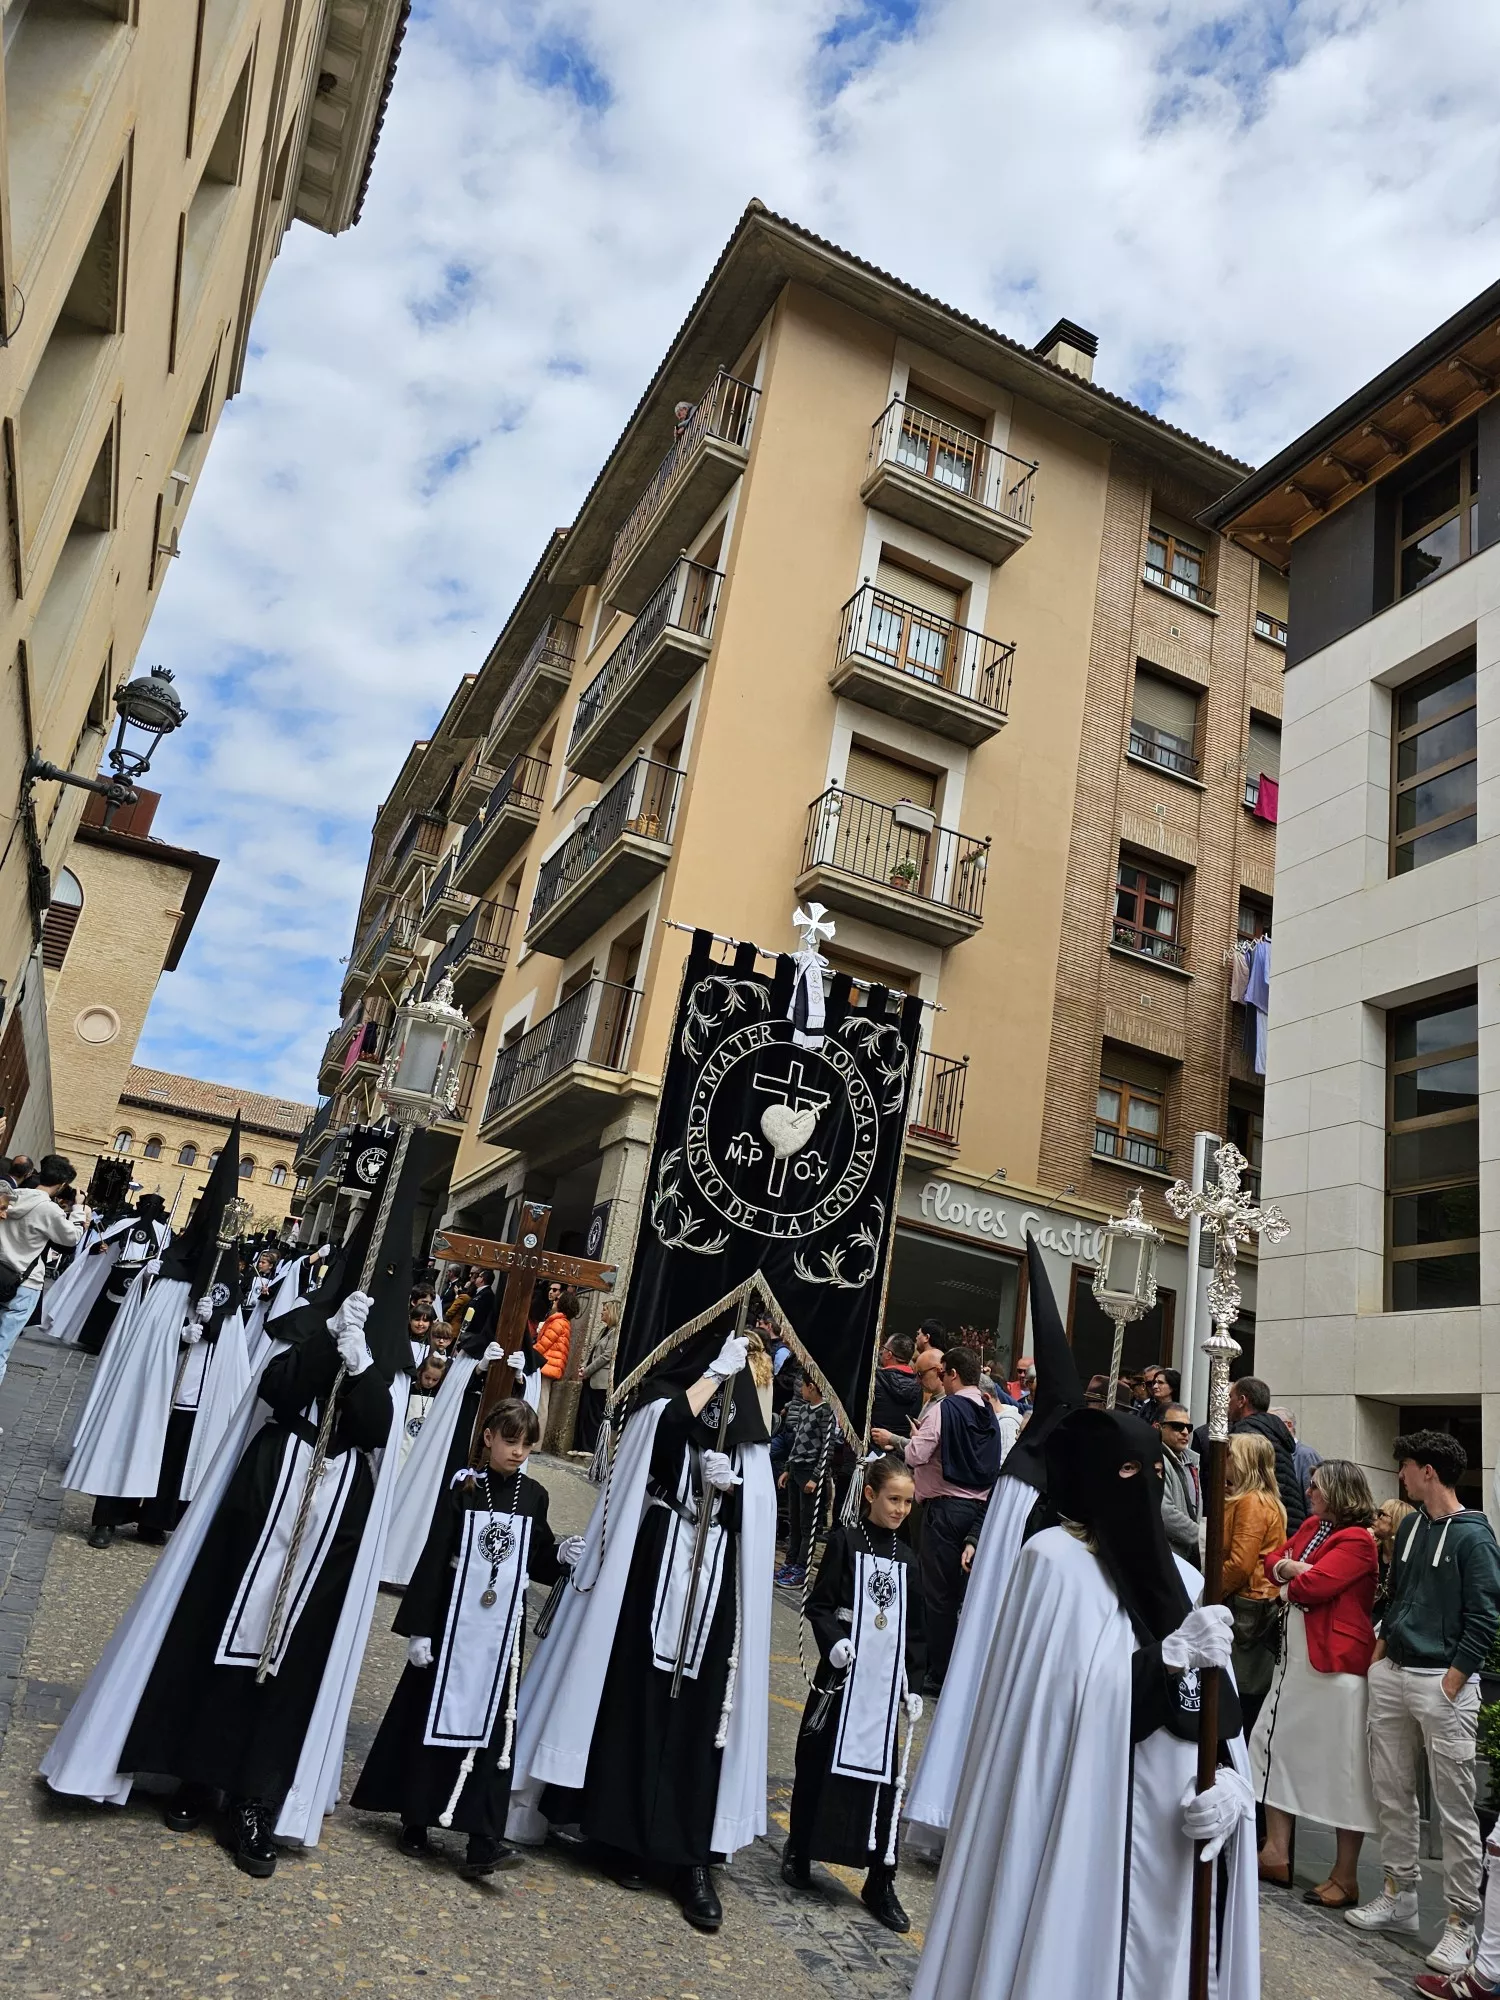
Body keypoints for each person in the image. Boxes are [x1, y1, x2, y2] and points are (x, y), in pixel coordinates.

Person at [40, 1143, 423, 1879]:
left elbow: (376, 1428)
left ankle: (254, 1794)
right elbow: (277, 1390)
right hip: (269, 1485)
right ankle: (196, 1770)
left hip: (335, 1512)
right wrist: (328, 1341)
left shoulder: (390, 1357)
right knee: (218, 1622)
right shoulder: (307, 1325)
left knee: (294, 1655)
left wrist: (363, 1360)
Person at [909, 1406, 1257, 2000]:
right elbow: (1051, 1724)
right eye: (1126, 1470)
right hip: (1083, 1831)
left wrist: (1230, 1786)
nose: (1143, 1486)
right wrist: (1162, 1662)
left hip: (1174, 1835)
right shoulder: (1054, 1564)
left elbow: (1214, 1718)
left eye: (1154, 1471)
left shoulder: (1186, 1581)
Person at [506, 1326, 775, 1932]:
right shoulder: (667, 1401)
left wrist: (733, 1495)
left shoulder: (751, 1437)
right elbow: (662, 1436)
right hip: (658, 1555)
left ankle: (689, 1858)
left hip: (716, 1575)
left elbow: (761, 1514)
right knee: (636, 1693)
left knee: (703, 1715)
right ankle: (619, 1833)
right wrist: (711, 1377)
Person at [904, 1237, 1085, 1856]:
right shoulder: (1010, 1445)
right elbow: (1001, 1512)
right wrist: (980, 1536)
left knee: (940, 1602)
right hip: (1005, 1595)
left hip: (970, 1542)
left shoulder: (981, 1427)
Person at [351, 1398, 582, 1878]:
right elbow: (436, 1555)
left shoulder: (534, 1496)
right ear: (489, 1438)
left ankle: (483, 1839)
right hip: (452, 1621)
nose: (518, 1452)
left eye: (527, 1445)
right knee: (429, 1714)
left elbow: (534, 1554)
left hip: (501, 1632)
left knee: (496, 1730)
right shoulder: (464, 1488)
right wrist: (419, 1628)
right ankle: (416, 1816)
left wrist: (559, 1556)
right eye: (510, 1441)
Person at [1346, 1429, 1500, 1977]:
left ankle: (1460, 1922)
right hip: (1395, 1671)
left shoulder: (1475, 1537)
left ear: (1427, 1471)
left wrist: (1453, 1680)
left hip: (1441, 1682)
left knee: (1455, 1809)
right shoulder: (1411, 1526)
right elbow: (1396, 1594)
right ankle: (1399, 1894)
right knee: (1392, 1792)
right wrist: (1381, 1655)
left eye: (1406, 1467)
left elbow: (1486, 1614)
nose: (1401, 1476)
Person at [781, 1453, 924, 1931]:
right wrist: (834, 1642)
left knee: (884, 1783)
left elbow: (916, 1631)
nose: (900, 1510)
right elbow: (820, 1604)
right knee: (817, 1759)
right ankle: (801, 1848)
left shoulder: (909, 1558)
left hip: (882, 1686)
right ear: (869, 1495)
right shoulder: (845, 1541)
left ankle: (880, 1878)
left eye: (908, 1502)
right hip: (842, 1674)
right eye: (893, 1499)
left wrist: (912, 1683)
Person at [1252, 1458, 1379, 1908]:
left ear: (1339, 1492)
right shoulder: (1311, 1527)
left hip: (1335, 1669)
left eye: (1317, 1487)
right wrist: (1292, 1570)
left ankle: (1346, 1876)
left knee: (1343, 1769)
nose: (1309, 1492)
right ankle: (1276, 1853)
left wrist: (1290, 1577)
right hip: (1296, 1664)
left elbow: (1315, 1587)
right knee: (1271, 1746)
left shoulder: (1358, 1540)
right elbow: (1270, 1563)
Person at [888, 1347, 997, 1696]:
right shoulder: (989, 1412)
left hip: (944, 1509)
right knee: (961, 1596)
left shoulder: (944, 1408)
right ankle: (954, 1667)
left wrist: (914, 1439)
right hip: (978, 1511)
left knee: (938, 1596)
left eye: (942, 1373)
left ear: (952, 1374)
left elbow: (916, 1453)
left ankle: (938, 1670)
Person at [1221, 1431, 1286, 1733]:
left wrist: (1207, 1593)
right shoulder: (1263, 1500)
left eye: (1230, 1455)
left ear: (1243, 1462)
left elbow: (1240, 1564)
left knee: (1239, 1696)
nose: (1224, 1461)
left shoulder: (1251, 1502)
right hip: (1256, 1604)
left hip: (1247, 1609)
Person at [0, 1153, 80, 1380]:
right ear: (62, 1185)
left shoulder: (10, 1197)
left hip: (1, 1270)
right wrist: (78, 1210)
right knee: (2, 1346)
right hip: (25, 1282)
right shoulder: (49, 1209)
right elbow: (71, 1238)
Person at [776, 1373, 835, 1588]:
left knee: (807, 1524)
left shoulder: (825, 1412)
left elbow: (827, 1448)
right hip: (796, 1468)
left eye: (803, 1387)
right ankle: (790, 1561)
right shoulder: (803, 1410)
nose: (800, 1390)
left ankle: (802, 1566)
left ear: (811, 1387)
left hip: (810, 1471)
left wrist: (816, 1476)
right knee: (795, 1520)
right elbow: (797, 1442)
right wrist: (788, 1468)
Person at [1227, 1376, 1306, 1531]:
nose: (1228, 1403)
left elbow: (1246, 1481)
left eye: (1231, 1397)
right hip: (1284, 1514)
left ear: (1242, 1400)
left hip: (1264, 1516)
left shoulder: (1247, 1433)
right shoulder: (1272, 1429)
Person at [532, 1282, 577, 1438]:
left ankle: (536, 1441)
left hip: (546, 1365)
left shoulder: (558, 1322)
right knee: (541, 1402)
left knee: (541, 1403)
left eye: (557, 1300)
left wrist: (529, 1354)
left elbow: (543, 1345)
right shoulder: (563, 1322)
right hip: (550, 1365)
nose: (554, 1301)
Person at [1158, 1404, 1200, 1567]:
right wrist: (1202, 1536)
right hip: (1169, 1557)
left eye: (1188, 1427)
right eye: (1177, 1426)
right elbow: (1165, 1513)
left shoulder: (1191, 1461)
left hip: (1187, 1556)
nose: (1185, 1432)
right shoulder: (1156, 1461)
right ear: (1158, 1427)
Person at [575, 1300, 618, 1456]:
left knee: (595, 1415)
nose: (602, 1312)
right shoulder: (603, 1331)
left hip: (600, 1380)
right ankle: (581, 1446)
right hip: (591, 1377)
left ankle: (591, 1449)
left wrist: (587, 1370)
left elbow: (606, 1356)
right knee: (586, 1413)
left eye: (605, 1309)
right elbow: (593, 1351)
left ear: (612, 1312)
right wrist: (584, 1367)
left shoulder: (615, 1332)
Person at [399, 1353, 448, 1471]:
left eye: (435, 1380)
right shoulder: (409, 1389)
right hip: (402, 1443)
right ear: (420, 1373)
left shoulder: (439, 1396)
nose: (430, 1382)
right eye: (427, 1377)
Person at [869, 1334, 921, 1441]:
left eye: (884, 1348)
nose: (881, 1352)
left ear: (889, 1355)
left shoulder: (873, 1380)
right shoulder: (920, 1385)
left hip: (873, 1443)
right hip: (903, 1446)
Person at [1372, 1495, 1416, 1619]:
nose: (1375, 1517)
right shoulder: (1372, 1550)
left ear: (1397, 1522)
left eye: (1381, 1514)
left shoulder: (1408, 1562)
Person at [1273, 1403, 1323, 1506]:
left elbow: (1312, 1500)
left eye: (1272, 1424)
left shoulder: (1306, 1455)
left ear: (1289, 1425)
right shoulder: (1273, 1454)